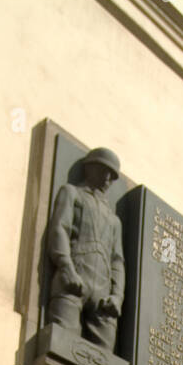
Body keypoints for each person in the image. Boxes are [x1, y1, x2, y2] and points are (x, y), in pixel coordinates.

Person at [47, 148, 125, 352]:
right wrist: (66, 268)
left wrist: (117, 296)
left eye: (112, 176)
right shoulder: (72, 193)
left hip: (102, 292)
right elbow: (59, 229)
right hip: (74, 276)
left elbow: (117, 262)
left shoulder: (114, 220)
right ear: (90, 168)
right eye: (104, 170)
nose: (108, 178)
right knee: (61, 348)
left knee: (103, 363)